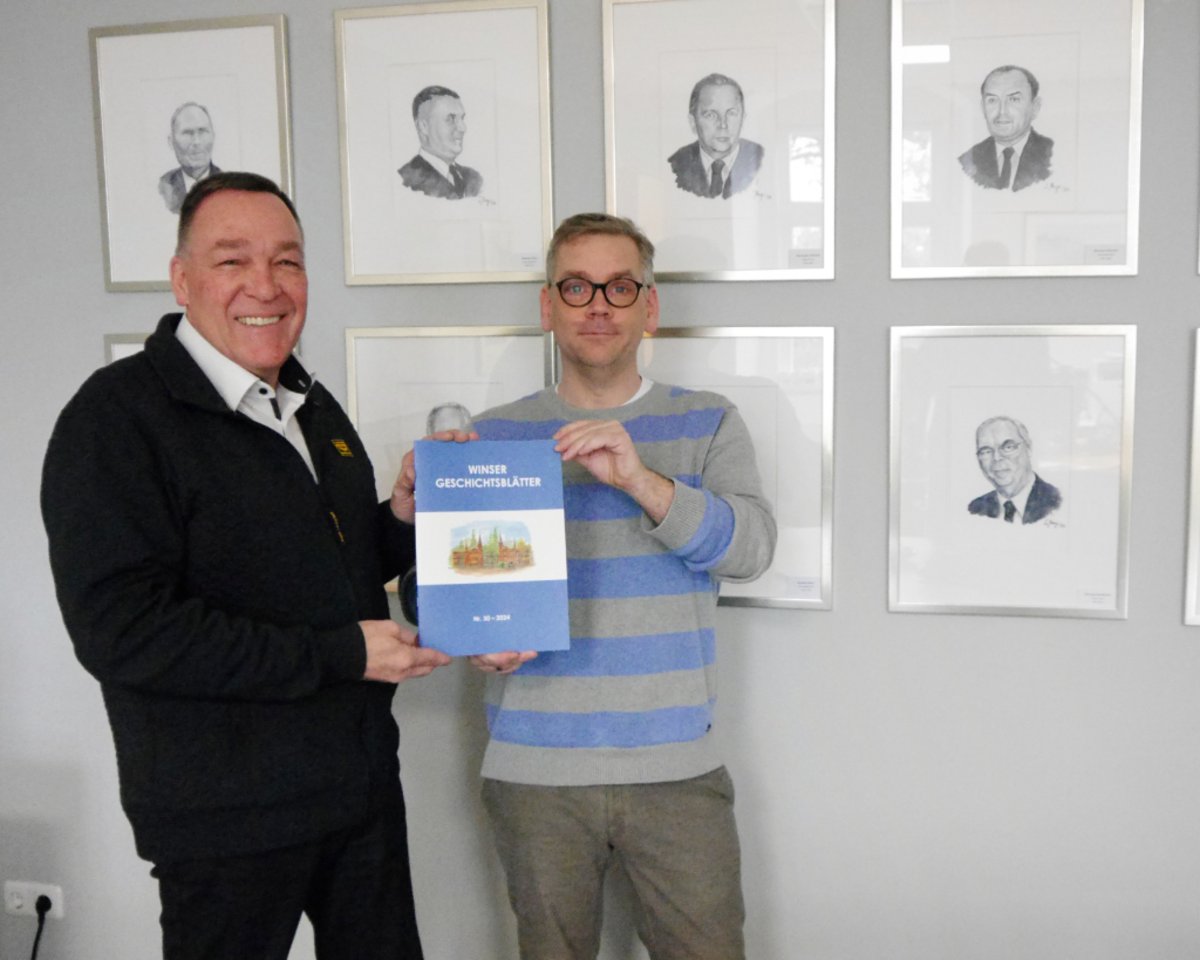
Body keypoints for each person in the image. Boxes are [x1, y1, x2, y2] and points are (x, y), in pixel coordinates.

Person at [41, 171, 452, 960]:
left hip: (359, 793)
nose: (265, 285)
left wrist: (399, 521)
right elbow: (124, 631)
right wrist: (340, 654)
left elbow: (328, 565)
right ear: (182, 280)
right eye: (233, 260)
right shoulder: (115, 419)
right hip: (225, 821)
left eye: (287, 261)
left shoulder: (309, 404)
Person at [399, 212, 776, 958]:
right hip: (535, 774)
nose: (598, 305)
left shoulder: (707, 421)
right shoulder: (490, 437)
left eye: (619, 287)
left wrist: (640, 480)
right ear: (548, 307)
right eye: (576, 287)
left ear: (649, 307)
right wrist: (469, 632)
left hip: (678, 770)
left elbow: (752, 549)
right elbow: (438, 589)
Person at [667, 73, 764, 199]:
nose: (723, 125)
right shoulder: (675, 165)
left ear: (742, 119)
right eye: (711, 115)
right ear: (693, 122)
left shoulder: (761, 159)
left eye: (731, 113)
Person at [958, 65, 1054, 192]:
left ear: (1035, 107)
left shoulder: (1054, 156)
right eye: (992, 100)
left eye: (1014, 99)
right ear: (983, 108)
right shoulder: (966, 162)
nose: (1002, 111)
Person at [968, 415, 1062, 524]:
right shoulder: (975, 508)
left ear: (1028, 448)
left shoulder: (1057, 502)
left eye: (1008, 447)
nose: (996, 458)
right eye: (986, 451)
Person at [398, 85, 482, 199]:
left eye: (462, 118)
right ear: (424, 126)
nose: (463, 128)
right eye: (450, 119)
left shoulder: (474, 178)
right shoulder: (405, 181)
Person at [158, 102, 221, 214]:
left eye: (202, 131)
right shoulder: (162, 188)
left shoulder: (228, 186)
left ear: (213, 136)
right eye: (187, 133)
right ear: (171, 142)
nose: (196, 142)